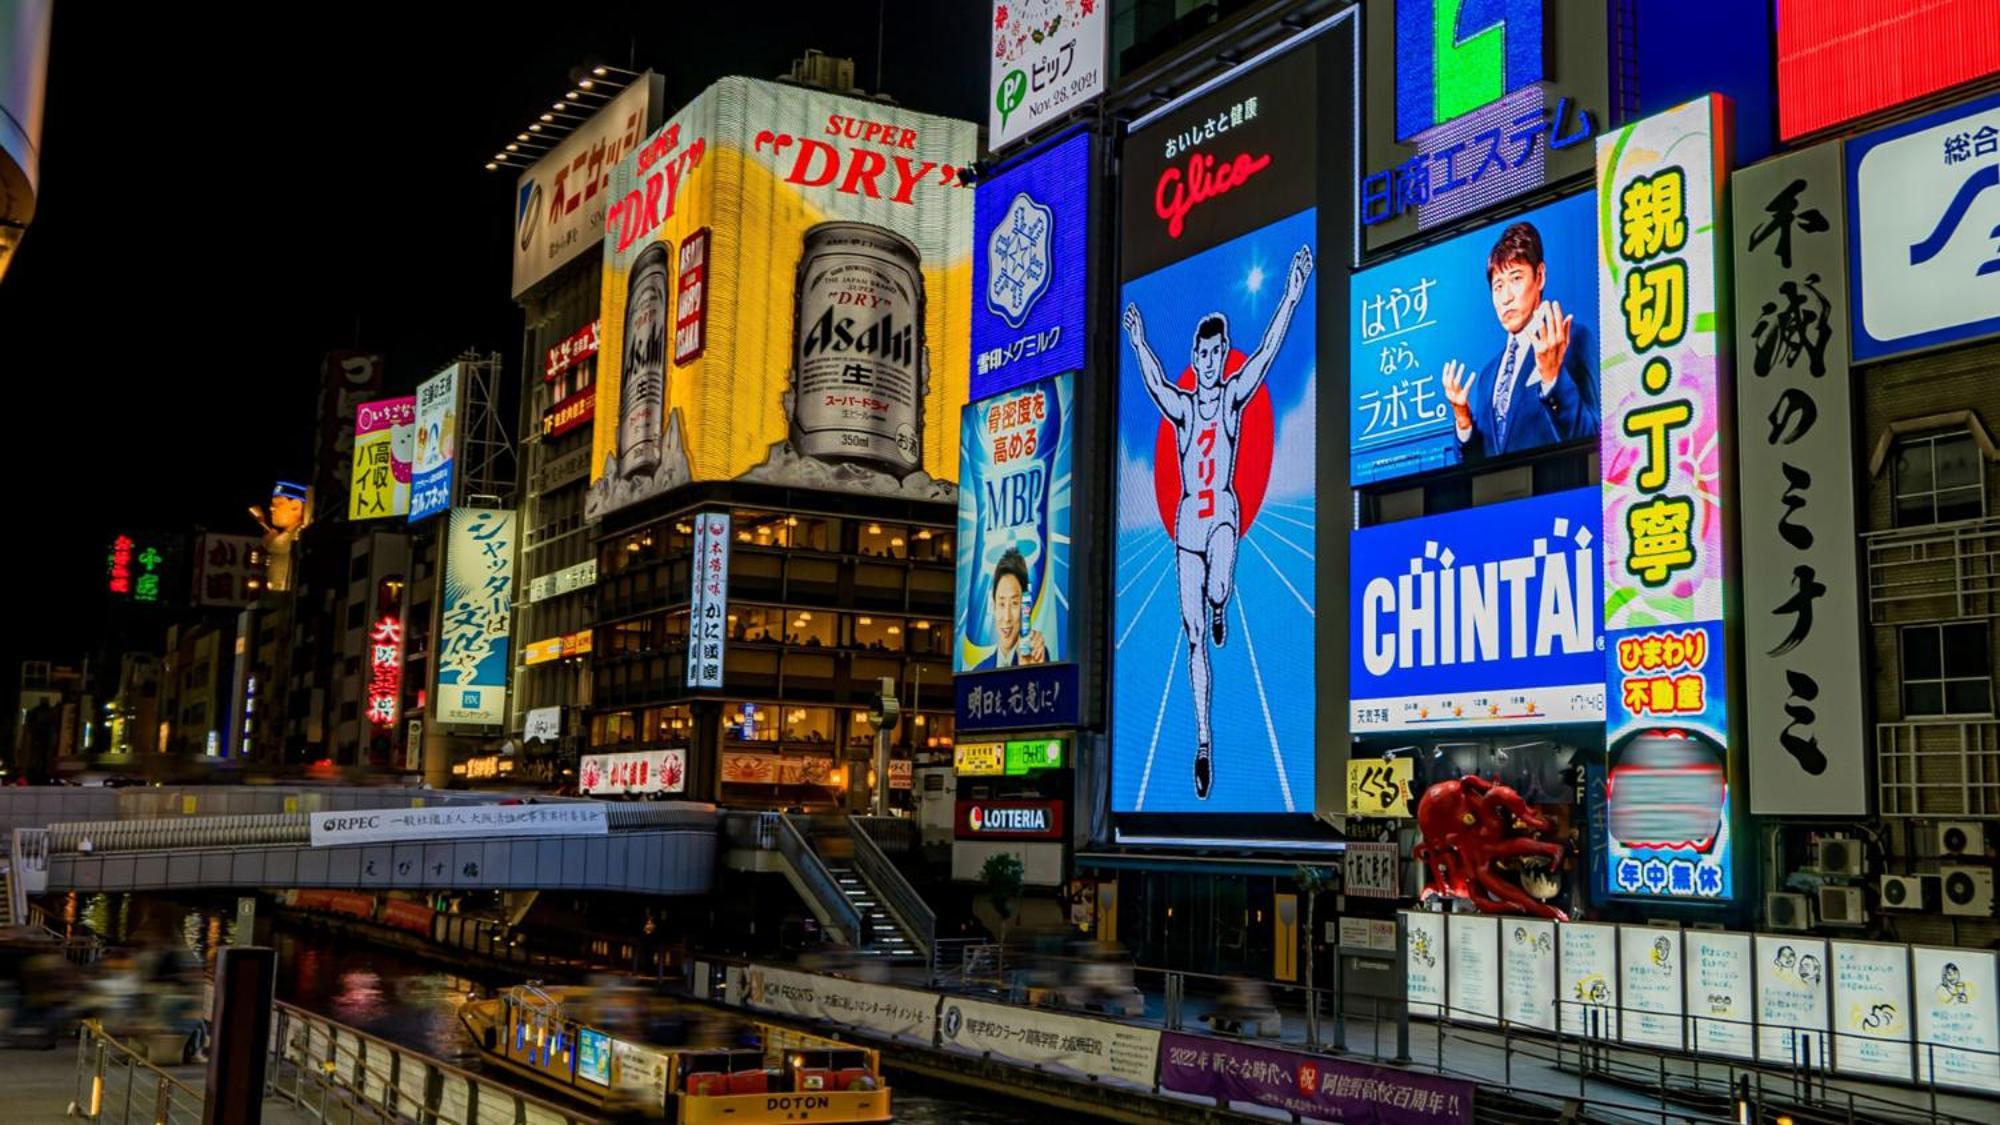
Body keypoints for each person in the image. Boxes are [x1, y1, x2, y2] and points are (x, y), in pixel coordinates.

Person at [1122, 243, 1312, 799]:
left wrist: (1293, 292)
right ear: (1196, 354)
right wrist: (1137, 340)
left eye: (1216, 352)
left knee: (1220, 584)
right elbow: (1156, 385)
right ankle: (1204, 740)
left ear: (1223, 353)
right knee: (1193, 634)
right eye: (1201, 354)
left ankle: (1223, 599)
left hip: (1222, 512)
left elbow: (1271, 351)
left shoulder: (1231, 399)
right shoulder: (1184, 408)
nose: (1208, 361)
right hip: (1188, 524)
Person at [1442, 221, 1597, 461]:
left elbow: (1596, 440)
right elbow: (1474, 469)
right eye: (1498, 286)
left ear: (1540, 276)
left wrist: (1552, 379)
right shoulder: (1487, 377)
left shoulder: (1573, 340)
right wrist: (1463, 420)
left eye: (1516, 278)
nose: (1506, 297)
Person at [972, 548, 1046, 670]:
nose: (1006, 618)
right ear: (994, 606)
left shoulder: (1038, 655)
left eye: (1014, 603)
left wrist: (1029, 670)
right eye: (1001, 604)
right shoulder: (979, 671)